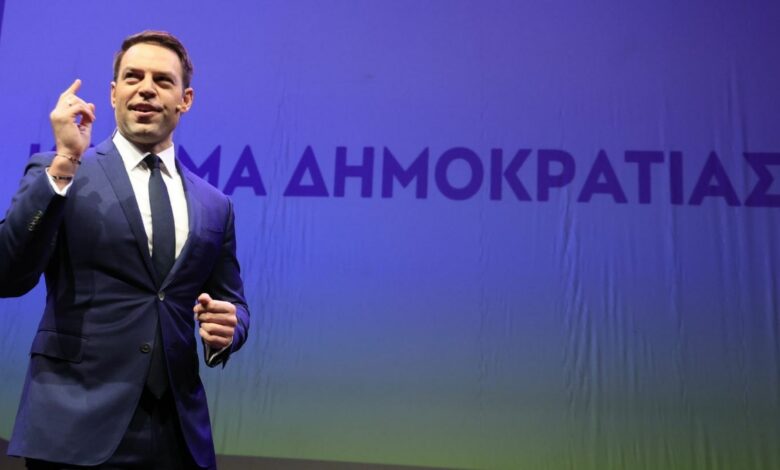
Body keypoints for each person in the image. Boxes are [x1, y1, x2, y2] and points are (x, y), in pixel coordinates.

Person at [0, 30, 250, 469]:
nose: (146, 88)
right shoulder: (61, 170)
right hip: (74, 428)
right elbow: (7, 273)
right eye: (133, 77)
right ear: (114, 93)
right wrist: (65, 162)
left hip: (178, 437)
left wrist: (229, 330)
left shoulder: (215, 204)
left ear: (185, 100)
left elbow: (233, 303)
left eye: (162, 80)